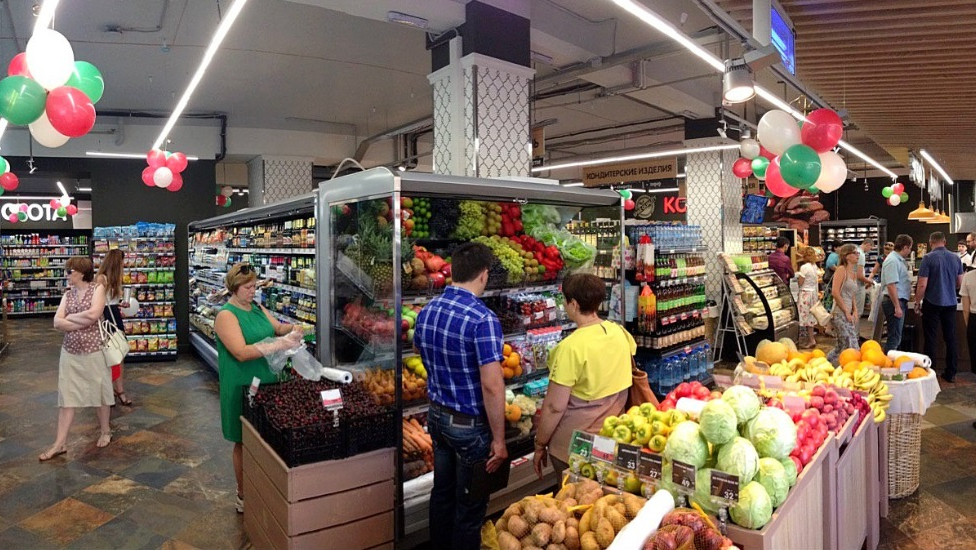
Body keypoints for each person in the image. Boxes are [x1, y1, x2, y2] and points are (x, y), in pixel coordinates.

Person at [413, 242, 507, 550]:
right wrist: (499, 440)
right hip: (469, 426)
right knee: (469, 507)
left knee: (442, 494)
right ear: (483, 275)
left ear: (453, 270)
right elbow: (492, 386)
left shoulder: (428, 309)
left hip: (437, 416)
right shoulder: (483, 319)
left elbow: (417, 349)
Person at [214, 263, 303, 513]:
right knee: (243, 440)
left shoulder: (256, 308)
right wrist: (277, 345)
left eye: (255, 286)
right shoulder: (226, 315)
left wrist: (292, 329)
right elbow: (241, 352)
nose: (254, 291)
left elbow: (275, 328)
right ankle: (243, 494)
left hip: (267, 382)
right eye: (249, 287)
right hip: (242, 385)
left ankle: (264, 485)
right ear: (235, 287)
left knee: (266, 438)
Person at [533, 273, 639, 477]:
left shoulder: (569, 348)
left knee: (573, 500)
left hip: (576, 445)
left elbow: (555, 407)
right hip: (614, 436)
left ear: (573, 304)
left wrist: (540, 443)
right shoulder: (619, 333)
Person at [40, 257, 112, 461]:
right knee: (67, 398)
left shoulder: (97, 288)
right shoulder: (67, 294)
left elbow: (95, 313)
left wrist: (69, 319)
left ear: (81, 272)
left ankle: (106, 430)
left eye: (69, 271)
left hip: (94, 350)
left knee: (100, 392)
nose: (67, 274)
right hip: (70, 352)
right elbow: (56, 322)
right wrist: (80, 319)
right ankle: (59, 443)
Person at [915, 232, 964, 383]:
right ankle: (951, 372)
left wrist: (917, 301)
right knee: (951, 338)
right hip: (950, 302)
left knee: (930, 338)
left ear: (931, 243)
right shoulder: (956, 258)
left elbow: (922, 284)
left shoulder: (928, 258)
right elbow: (960, 283)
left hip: (932, 302)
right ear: (944, 242)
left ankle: (931, 372)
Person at [95, 249, 133, 406]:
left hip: (115, 316)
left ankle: (119, 390)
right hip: (105, 317)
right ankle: (109, 391)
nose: (124, 265)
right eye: (122, 262)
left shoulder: (116, 279)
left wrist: (121, 304)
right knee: (107, 356)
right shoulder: (101, 279)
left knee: (119, 353)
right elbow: (97, 302)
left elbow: (112, 300)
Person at [827, 245, 861, 365]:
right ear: (847, 256)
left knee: (842, 344)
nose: (858, 255)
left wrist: (855, 310)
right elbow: (835, 292)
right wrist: (846, 311)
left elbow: (851, 294)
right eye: (855, 253)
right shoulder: (841, 270)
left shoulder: (853, 273)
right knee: (849, 343)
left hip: (848, 314)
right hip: (839, 313)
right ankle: (844, 365)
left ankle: (828, 362)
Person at [880, 235, 914, 354]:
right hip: (894, 301)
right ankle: (888, 367)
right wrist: (897, 307)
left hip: (897, 300)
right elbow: (891, 285)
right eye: (909, 248)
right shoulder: (892, 261)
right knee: (894, 338)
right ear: (905, 247)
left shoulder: (897, 260)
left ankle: (894, 364)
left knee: (897, 336)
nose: (909, 251)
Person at [796, 248, 820, 349]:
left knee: (805, 318)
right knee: (810, 317)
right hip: (813, 294)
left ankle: (810, 340)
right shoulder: (814, 266)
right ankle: (811, 339)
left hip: (805, 294)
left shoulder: (804, 267)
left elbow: (800, 282)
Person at [854, 238, 876, 326]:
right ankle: (854, 335)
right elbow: (859, 275)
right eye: (871, 248)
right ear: (867, 244)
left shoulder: (856, 251)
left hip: (853, 284)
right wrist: (870, 281)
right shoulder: (861, 255)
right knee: (857, 312)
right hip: (858, 286)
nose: (870, 251)